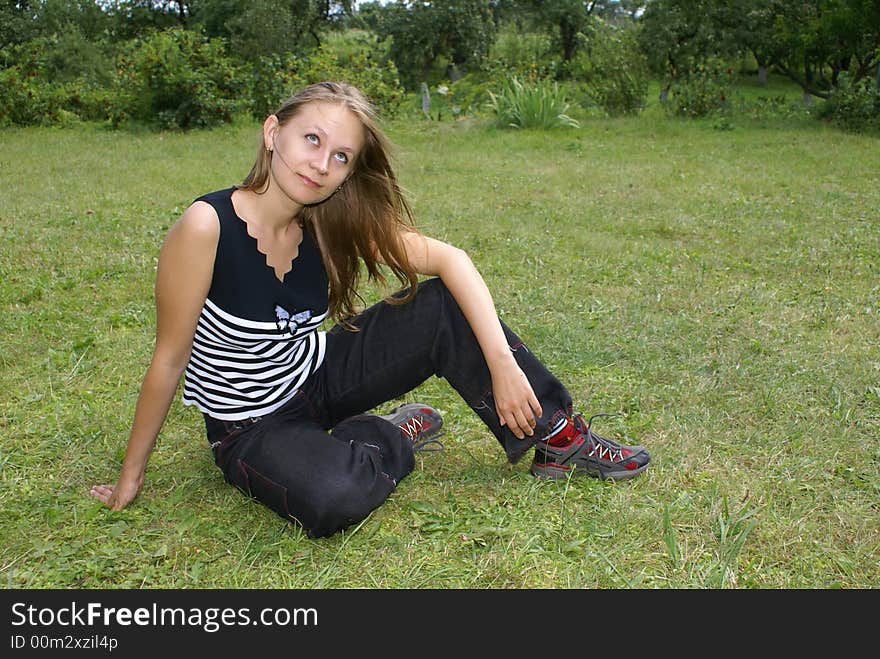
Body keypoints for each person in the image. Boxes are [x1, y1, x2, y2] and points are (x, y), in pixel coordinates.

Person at [90, 81, 650, 539]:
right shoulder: (206, 227)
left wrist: (501, 364)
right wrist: (129, 478)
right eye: (311, 139)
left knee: (439, 308)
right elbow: (168, 360)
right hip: (250, 427)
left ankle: (558, 437)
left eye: (340, 156)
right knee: (334, 498)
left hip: (318, 373)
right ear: (271, 131)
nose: (321, 164)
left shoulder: (329, 221)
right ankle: (391, 435)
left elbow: (450, 260)